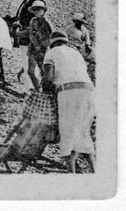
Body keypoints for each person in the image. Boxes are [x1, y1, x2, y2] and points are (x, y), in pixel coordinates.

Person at [42, 31, 96, 173]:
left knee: (68, 134)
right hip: (89, 92)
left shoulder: (52, 52)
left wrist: (44, 89)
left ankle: (72, 174)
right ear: (66, 42)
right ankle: (94, 171)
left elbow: (48, 77)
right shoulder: (76, 53)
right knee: (84, 133)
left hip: (69, 93)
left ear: (52, 43)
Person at [12, 0, 42, 87]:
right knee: (27, 64)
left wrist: (20, 31)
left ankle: (31, 90)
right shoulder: (28, 0)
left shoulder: (36, 2)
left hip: (30, 39)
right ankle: (30, 89)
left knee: (30, 68)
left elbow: (36, 24)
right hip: (26, 38)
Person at [28, 0, 54, 90]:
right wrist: (35, 44)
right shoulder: (33, 21)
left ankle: (46, 91)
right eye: (35, 9)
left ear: (43, 11)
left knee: (44, 72)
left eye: (39, 9)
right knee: (31, 71)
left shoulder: (47, 23)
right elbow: (30, 33)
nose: (36, 12)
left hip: (44, 50)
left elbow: (52, 36)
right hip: (33, 49)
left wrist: (44, 46)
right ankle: (37, 89)